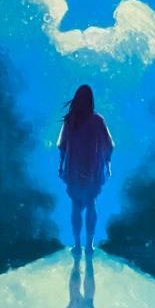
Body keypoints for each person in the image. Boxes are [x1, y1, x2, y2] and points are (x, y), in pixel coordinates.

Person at [57, 85, 114, 258]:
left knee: (75, 205)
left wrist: (61, 165)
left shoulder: (70, 120)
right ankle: (89, 245)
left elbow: (62, 146)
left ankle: (77, 245)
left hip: (74, 168)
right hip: (92, 169)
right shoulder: (97, 120)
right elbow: (109, 145)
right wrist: (107, 163)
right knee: (91, 204)